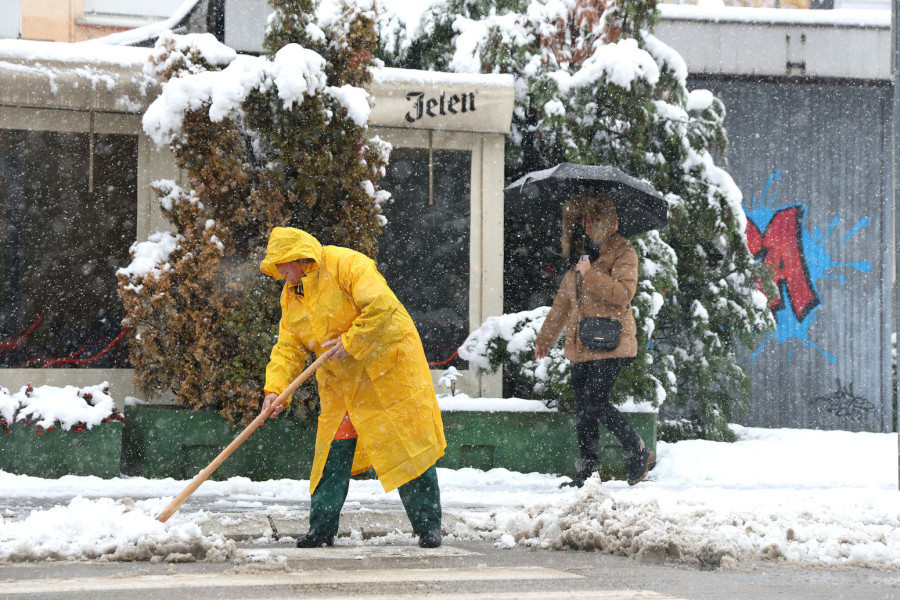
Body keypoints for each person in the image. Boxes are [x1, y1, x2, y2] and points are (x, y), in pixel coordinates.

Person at [259, 227, 446, 548]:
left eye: (282, 264)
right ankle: (321, 529)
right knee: (331, 453)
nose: (279, 272)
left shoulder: (347, 265)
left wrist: (351, 341)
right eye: (275, 266)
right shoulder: (292, 295)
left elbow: (382, 306)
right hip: (343, 383)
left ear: (300, 258)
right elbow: (289, 346)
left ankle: (429, 526)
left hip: (387, 372)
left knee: (407, 447)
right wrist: (276, 390)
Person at [534, 195, 653, 488]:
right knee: (584, 410)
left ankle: (637, 450)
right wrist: (545, 339)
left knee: (596, 402)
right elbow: (563, 302)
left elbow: (623, 295)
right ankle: (588, 472)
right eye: (581, 219)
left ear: (603, 220)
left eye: (590, 219)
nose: (584, 225)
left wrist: (590, 275)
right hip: (580, 343)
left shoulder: (623, 252)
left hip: (611, 341)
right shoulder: (580, 253)